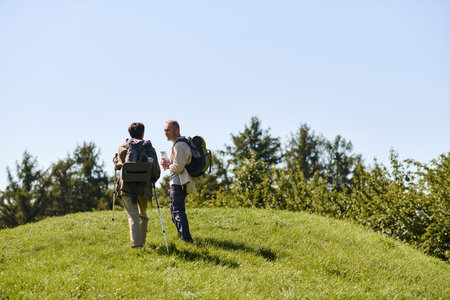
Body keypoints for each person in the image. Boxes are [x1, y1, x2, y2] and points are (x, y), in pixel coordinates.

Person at [113, 122, 160, 248]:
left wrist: (116, 161)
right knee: (143, 215)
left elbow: (119, 166)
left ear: (130, 133)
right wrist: (152, 180)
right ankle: (142, 242)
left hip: (126, 186)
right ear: (143, 133)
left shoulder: (123, 147)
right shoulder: (149, 148)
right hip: (143, 186)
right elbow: (156, 170)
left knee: (132, 215)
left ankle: (136, 244)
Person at [161, 120, 195, 243]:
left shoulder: (179, 145)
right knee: (174, 209)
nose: (165, 133)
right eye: (165, 130)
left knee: (177, 210)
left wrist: (168, 164)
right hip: (179, 181)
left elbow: (178, 167)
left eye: (168, 130)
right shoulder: (180, 144)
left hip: (179, 182)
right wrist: (169, 164)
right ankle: (182, 235)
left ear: (177, 130)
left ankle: (186, 239)